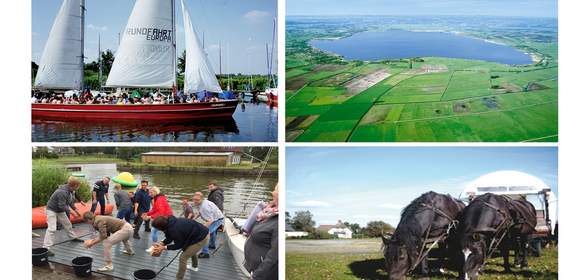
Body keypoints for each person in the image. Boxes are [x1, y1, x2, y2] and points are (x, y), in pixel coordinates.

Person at [244, 184, 278, 280]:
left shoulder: (277, 221)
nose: (272, 192)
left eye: (275, 190)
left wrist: (257, 275)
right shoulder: (268, 213)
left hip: (262, 274)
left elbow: (275, 255)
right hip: (252, 267)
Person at [43, 176, 84, 256]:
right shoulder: (62, 192)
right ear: (74, 185)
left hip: (59, 210)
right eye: (78, 186)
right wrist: (72, 213)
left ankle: (73, 237)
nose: (78, 187)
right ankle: (46, 249)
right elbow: (61, 205)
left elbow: (70, 202)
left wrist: (75, 210)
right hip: (51, 210)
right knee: (52, 229)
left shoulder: (70, 191)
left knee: (67, 224)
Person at [192, 192, 224, 258]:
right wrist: (193, 219)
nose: (195, 201)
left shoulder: (205, 206)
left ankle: (205, 253)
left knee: (204, 234)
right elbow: (200, 212)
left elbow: (210, 220)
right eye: (194, 199)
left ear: (202, 199)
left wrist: (203, 228)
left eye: (197, 200)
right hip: (214, 218)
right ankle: (212, 245)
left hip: (217, 220)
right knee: (212, 232)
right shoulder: (200, 203)